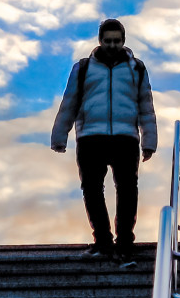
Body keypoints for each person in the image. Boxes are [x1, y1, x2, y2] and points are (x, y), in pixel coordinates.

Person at [51, 19, 158, 265]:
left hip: (125, 137)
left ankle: (124, 244)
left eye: (117, 41)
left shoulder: (137, 69)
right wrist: (59, 136)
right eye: (108, 41)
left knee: (128, 190)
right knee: (91, 189)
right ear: (100, 41)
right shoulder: (84, 68)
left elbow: (146, 106)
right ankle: (102, 241)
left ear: (123, 41)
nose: (112, 45)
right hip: (91, 136)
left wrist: (149, 140)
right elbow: (70, 101)